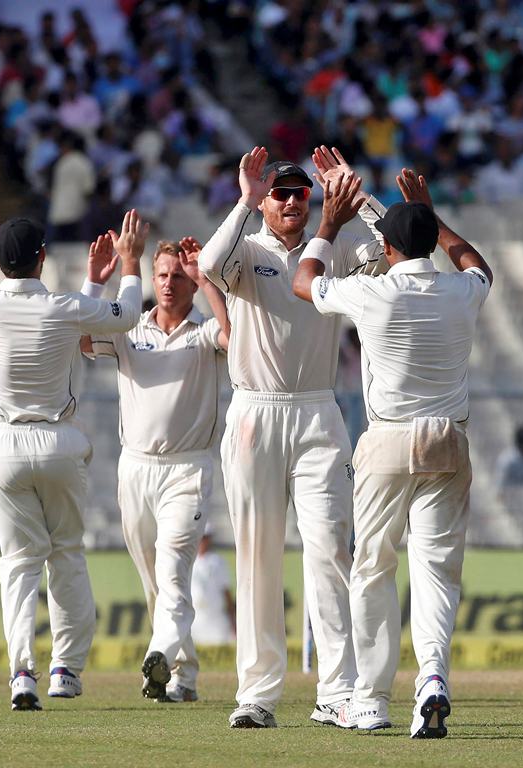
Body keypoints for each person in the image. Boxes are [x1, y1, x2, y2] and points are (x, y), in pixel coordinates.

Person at [292, 167, 492, 738]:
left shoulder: (373, 290)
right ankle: (432, 677)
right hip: (448, 439)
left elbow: (305, 282)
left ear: (386, 248)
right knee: (436, 571)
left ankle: (372, 699)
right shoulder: (461, 291)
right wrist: (429, 212)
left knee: (372, 567)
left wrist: (328, 223)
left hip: (388, 439)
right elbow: (477, 262)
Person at [197, 146, 388, 729]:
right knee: (258, 552)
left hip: (316, 412)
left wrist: (356, 196)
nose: (289, 201)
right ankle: (257, 693)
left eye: (299, 193)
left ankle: (337, 690)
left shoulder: (328, 251)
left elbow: (393, 251)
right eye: (279, 193)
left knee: (331, 547)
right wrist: (245, 199)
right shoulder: (246, 250)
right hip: (255, 410)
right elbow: (208, 265)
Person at [0, 210, 144, 711]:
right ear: (43, 258)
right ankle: (65, 670)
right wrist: (130, 261)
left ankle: (21, 674)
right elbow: (127, 314)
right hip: (57, 442)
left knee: (18, 564)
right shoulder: (62, 307)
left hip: (3, 445)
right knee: (66, 553)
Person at [79, 237, 230, 704]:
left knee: (173, 571)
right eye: (161, 275)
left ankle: (159, 651)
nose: (168, 284)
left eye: (177, 277)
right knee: (155, 584)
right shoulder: (130, 330)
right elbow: (82, 337)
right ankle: (182, 676)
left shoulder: (204, 333)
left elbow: (238, 339)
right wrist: (96, 282)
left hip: (187, 470)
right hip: (136, 469)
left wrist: (207, 280)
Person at [190, 525, 237, 646]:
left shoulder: (218, 562)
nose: (202, 541)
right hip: (194, 620)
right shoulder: (189, 561)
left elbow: (226, 591)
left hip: (215, 619)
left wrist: (233, 621)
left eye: (205, 537)